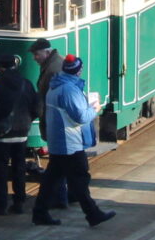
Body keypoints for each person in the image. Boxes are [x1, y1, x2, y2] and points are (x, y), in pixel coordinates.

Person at [31, 56, 114, 227]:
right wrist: (95, 109)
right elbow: (81, 116)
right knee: (80, 178)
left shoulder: (56, 86)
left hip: (59, 142)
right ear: (79, 70)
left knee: (51, 180)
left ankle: (40, 213)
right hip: (70, 143)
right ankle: (93, 214)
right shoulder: (69, 89)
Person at [0, 50, 39, 215]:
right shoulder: (26, 83)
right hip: (22, 131)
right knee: (19, 168)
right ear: (14, 65)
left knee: (1, 170)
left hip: (3, 134)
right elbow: (36, 107)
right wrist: (27, 121)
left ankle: (1, 205)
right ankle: (19, 203)